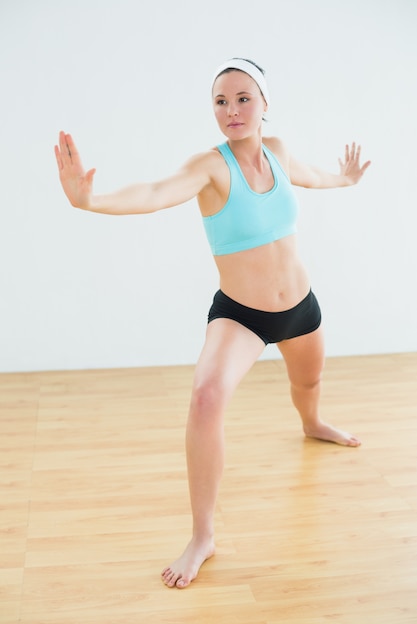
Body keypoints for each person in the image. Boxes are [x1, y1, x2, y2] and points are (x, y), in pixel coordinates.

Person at [54, 57, 371, 590]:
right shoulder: (209, 167)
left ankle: (312, 423)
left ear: (265, 103)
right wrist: (92, 202)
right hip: (241, 316)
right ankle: (203, 535)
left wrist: (344, 177)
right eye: (221, 102)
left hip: (300, 307)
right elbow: (155, 194)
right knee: (205, 398)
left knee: (309, 384)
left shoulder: (279, 151)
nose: (232, 110)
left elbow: (313, 177)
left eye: (243, 98)